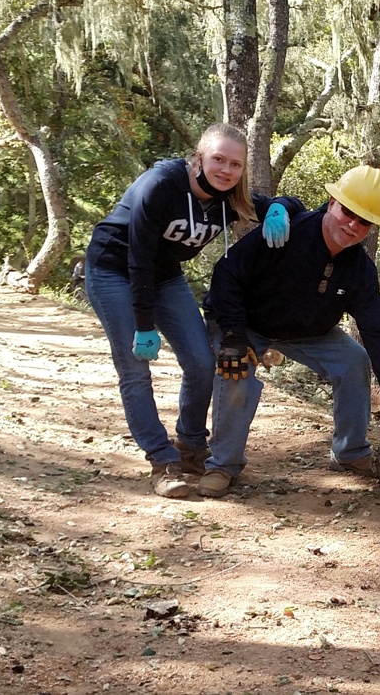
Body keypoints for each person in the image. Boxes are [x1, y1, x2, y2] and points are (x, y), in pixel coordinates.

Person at [84, 123, 303, 499]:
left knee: (203, 363)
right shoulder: (160, 185)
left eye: (235, 164)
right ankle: (161, 459)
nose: (226, 170)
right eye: (218, 159)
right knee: (135, 369)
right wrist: (144, 324)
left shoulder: (232, 197)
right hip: (114, 271)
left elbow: (290, 203)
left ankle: (189, 444)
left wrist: (280, 209)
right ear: (198, 158)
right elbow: (138, 260)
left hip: (166, 277)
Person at [196, 165, 380, 498]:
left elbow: (378, 333)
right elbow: (227, 275)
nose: (352, 225)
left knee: (353, 359)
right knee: (236, 374)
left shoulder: (360, 272)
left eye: (364, 221)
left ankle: (349, 452)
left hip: (307, 334)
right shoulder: (287, 233)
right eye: (348, 211)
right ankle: (223, 465)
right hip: (244, 323)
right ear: (332, 202)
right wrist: (233, 334)